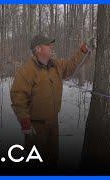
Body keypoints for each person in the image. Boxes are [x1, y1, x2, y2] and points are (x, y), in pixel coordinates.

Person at [10, 34, 90, 169]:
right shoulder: (26, 71)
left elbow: (72, 64)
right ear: (38, 49)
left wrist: (83, 50)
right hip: (35, 128)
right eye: (48, 45)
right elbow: (18, 98)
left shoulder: (56, 65)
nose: (51, 46)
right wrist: (25, 122)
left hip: (53, 124)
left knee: (52, 160)